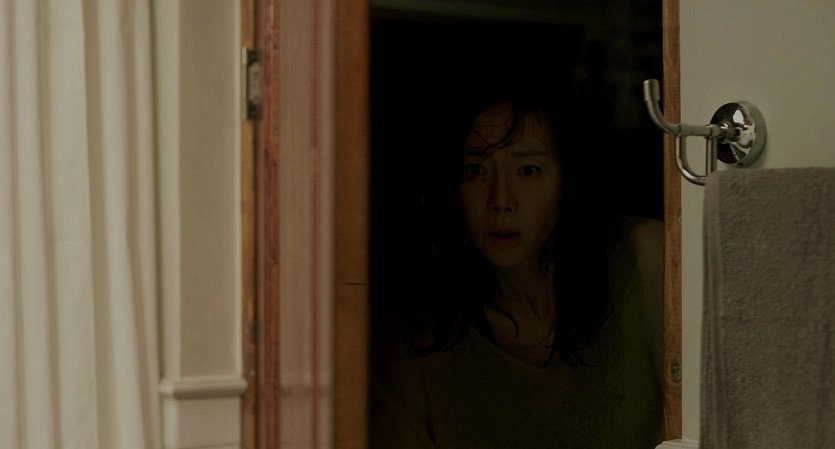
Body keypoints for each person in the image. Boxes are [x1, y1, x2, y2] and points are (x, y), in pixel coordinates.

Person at [369, 75, 666, 448]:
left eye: (527, 171)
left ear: (567, 179)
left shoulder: (644, 259)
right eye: (474, 169)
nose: (501, 201)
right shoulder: (418, 334)